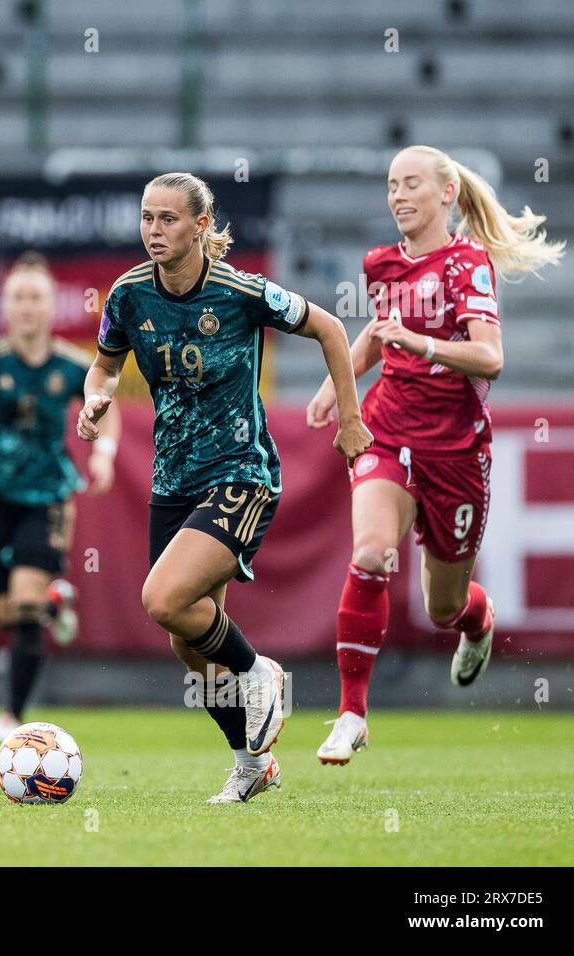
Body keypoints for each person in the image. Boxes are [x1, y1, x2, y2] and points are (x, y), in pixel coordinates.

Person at [79, 172, 371, 802]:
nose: (153, 231)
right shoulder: (129, 295)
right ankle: (251, 762)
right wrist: (96, 399)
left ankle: (258, 670)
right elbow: (102, 367)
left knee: (161, 599)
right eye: (146, 218)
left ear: (201, 227)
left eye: (168, 220)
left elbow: (331, 328)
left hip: (241, 472)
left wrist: (351, 418)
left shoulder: (241, 292)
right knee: (186, 637)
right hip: (172, 479)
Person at [308, 146, 564, 765]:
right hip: (387, 432)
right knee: (370, 554)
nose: (398, 195)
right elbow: (376, 330)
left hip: (454, 451)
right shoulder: (380, 263)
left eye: (411, 184)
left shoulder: (467, 264)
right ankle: (351, 714)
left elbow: (490, 358)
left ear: (445, 194)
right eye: (392, 185)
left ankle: (478, 620)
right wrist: (336, 386)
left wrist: (421, 342)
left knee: (442, 606)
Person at [0, 253, 121, 742]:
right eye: (18, 297)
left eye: (36, 297)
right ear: (7, 305)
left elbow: (107, 406)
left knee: (25, 603)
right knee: (3, 612)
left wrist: (104, 452)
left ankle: (13, 716)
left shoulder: (74, 364)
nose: (27, 307)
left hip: (49, 496)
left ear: (50, 305)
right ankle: (56, 601)